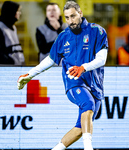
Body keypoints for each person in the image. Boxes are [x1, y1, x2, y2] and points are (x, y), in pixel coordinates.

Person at [17, 1, 108, 150]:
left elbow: (102, 59)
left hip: (95, 85)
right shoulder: (63, 37)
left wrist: (83, 67)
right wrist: (30, 74)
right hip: (74, 83)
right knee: (88, 105)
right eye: (67, 17)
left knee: (80, 129)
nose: (70, 21)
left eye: (73, 16)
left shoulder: (97, 31)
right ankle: (88, 148)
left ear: (80, 13)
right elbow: (50, 60)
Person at [0, 1, 25, 65]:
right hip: (5, 68)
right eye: (18, 11)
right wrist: (11, 62)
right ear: (12, 12)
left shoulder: (13, 27)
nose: (19, 13)